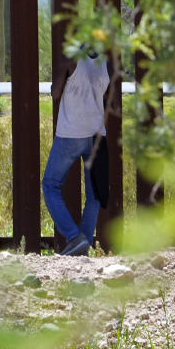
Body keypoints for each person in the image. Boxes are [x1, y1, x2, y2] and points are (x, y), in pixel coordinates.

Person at [42, 46, 111, 256]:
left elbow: (55, 93)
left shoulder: (69, 58)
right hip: (97, 135)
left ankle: (74, 237)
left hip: (71, 134)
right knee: (94, 195)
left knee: (50, 185)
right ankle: (84, 246)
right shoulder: (103, 61)